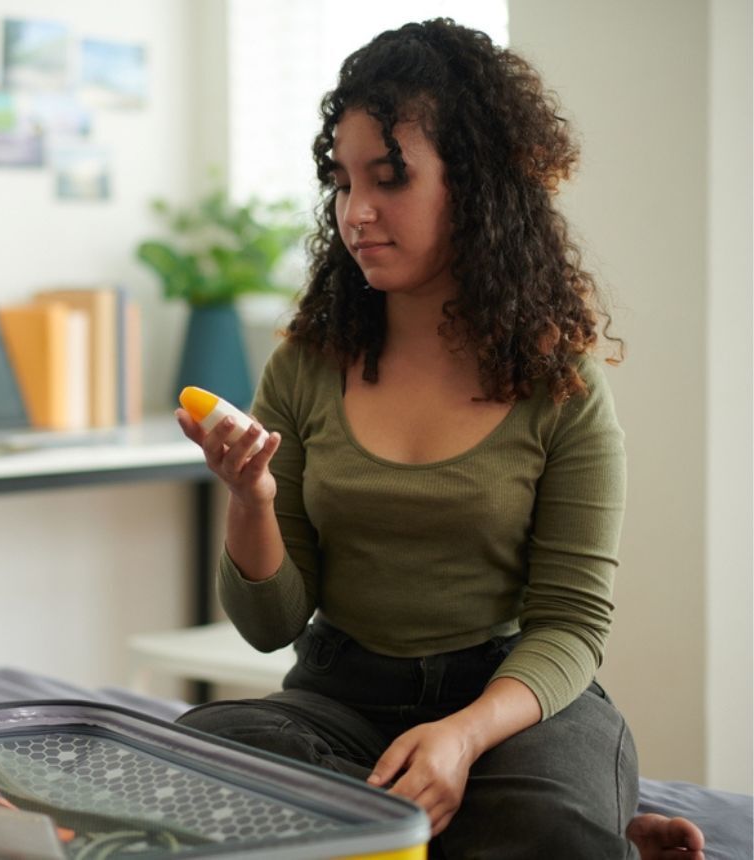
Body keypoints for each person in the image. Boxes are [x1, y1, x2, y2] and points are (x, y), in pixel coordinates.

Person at [175, 17, 705, 860]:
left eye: (390, 178)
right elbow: (269, 627)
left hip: (509, 700)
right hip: (338, 696)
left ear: (480, 186)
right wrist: (252, 503)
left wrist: (459, 738)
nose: (358, 212)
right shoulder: (308, 364)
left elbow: (570, 625)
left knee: (541, 824)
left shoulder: (559, 381)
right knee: (200, 760)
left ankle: (541, 813)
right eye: (344, 183)